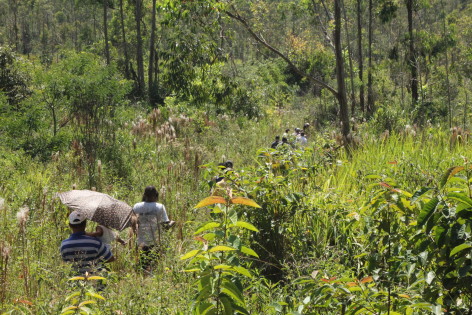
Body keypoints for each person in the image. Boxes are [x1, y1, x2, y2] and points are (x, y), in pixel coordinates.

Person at [133, 186, 174, 271]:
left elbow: (133, 223)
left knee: (142, 264)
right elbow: (165, 227)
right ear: (155, 196)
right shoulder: (159, 207)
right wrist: (172, 224)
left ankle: (142, 280)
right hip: (155, 241)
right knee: (153, 266)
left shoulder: (137, 206)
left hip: (140, 240)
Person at [60, 211, 115, 276]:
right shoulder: (95, 242)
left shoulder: (64, 245)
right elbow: (111, 258)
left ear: (70, 225)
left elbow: (65, 263)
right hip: (95, 282)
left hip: (74, 283)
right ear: (85, 224)